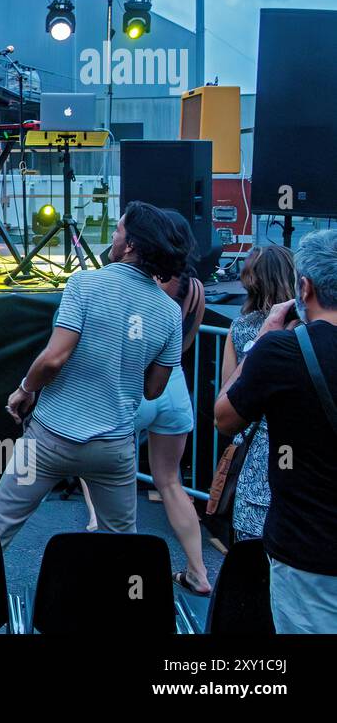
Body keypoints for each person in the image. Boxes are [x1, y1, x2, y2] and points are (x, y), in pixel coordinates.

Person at [0, 202, 188, 546]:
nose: (114, 236)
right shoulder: (168, 312)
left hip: (50, 438)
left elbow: (54, 358)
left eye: (118, 231)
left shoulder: (84, 284)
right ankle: (123, 600)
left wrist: (25, 389)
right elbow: (153, 389)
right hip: (113, 447)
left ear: (131, 245)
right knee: (121, 547)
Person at [216, 229, 337, 633]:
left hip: (308, 551)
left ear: (304, 288)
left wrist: (264, 337)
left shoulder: (281, 350)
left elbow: (224, 417)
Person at [131, 211, 210, 594]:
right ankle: (199, 571)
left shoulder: (148, 285)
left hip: (137, 386)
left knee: (104, 471)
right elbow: (182, 345)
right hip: (174, 388)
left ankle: (100, 536)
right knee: (170, 482)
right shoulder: (195, 287)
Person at [224, 245, 295, 541]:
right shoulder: (305, 329)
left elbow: (227, 391)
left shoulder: (240, 328)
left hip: (253, 454)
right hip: (297, 452)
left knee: (252, 554)